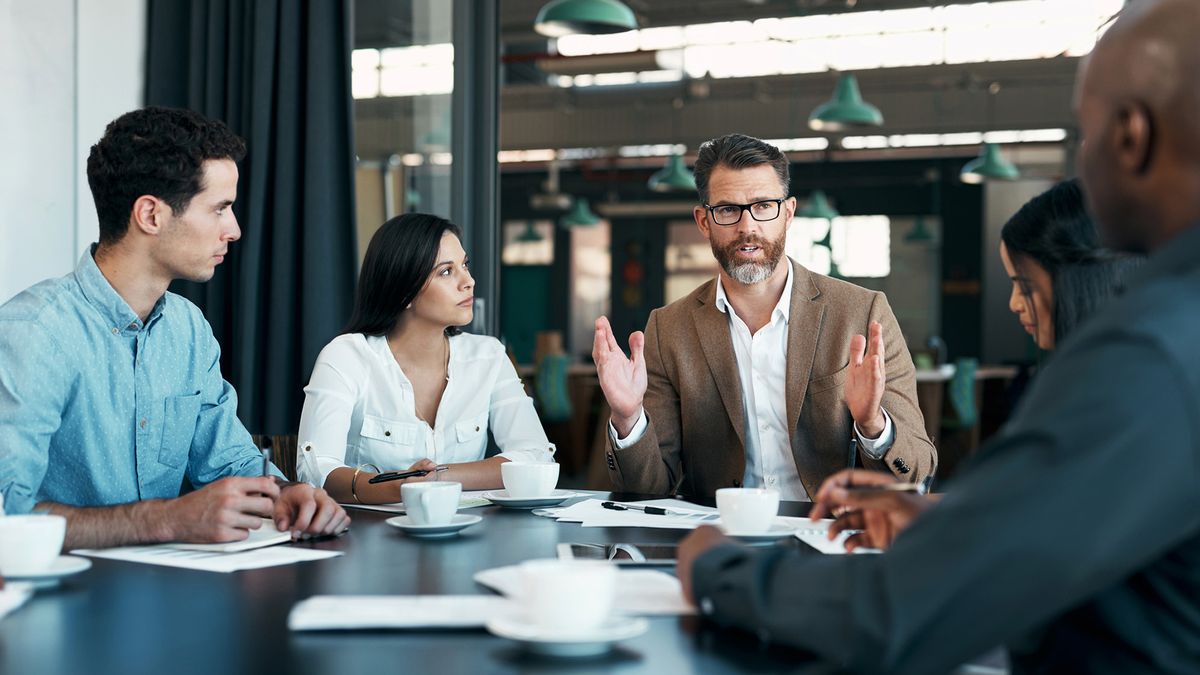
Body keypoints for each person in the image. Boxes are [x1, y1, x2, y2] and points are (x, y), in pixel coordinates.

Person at [676, 2, 1200, 672]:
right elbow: (1115, 533)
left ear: (1130, 137)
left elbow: (900, 610)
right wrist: (960, 524)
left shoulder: (1150, 350)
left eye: (1085, 132)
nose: (1084, 154)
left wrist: (717, 569)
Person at [0, 107, 349, 549]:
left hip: (165, 593)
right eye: (220, 209)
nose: (235, 230)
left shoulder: (188, 328)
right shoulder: (33, 333)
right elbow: (6, 514)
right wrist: (166, 520)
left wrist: (285, 494)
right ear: (150, 215)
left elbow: (228, 460)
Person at [592, 133, 936, 501]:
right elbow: (647, 488)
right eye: (727, 209)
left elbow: (918, 473)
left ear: (788, 213)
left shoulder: (862, 313)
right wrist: (628, 419)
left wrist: (872, 426)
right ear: (703, 221)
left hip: (834, 536)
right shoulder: (668, 329)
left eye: (763, 206)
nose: (747, 227)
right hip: (722, 540)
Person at [818, 178, 1143, 552]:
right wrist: (920, 510)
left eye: (1025, 286)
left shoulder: (1122, 400)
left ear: (1083, 281)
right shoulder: (1094, 382)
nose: (1014, 304)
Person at [296, 213, 554, 503]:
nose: (468, 281)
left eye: (464, 265)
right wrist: (397, 487)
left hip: (465, 534)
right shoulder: (346, 356)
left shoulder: (488, 356)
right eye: (446, 272)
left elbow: (536, 457)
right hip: (365, 535)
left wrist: (436, 476)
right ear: (404, 290)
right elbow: (316, 472)